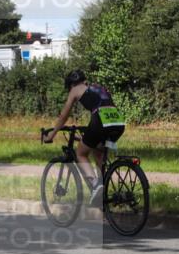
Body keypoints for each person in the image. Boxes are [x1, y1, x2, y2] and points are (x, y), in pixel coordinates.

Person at [42, 70, 126, 204]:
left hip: (100, 121)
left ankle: (95, 186)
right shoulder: (97, 87)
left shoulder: (75, 90)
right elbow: (104, 106)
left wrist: (52, 134)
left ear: (70, 85)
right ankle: (103, 194)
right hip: (118, 123)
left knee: (80, 153)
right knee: (98, 152)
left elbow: (64, 116)